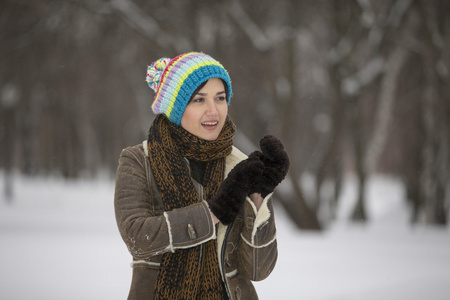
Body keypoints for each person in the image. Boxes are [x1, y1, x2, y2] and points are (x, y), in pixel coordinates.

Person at [114, 52, 289, 300]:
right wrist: (214, 212)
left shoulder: (241, 166)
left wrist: (258, 198)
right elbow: (138, 238)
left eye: (220, 98)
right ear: (175, 108)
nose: (213, 111)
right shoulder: (139, 160)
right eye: (198, 100)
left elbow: (258, 270)